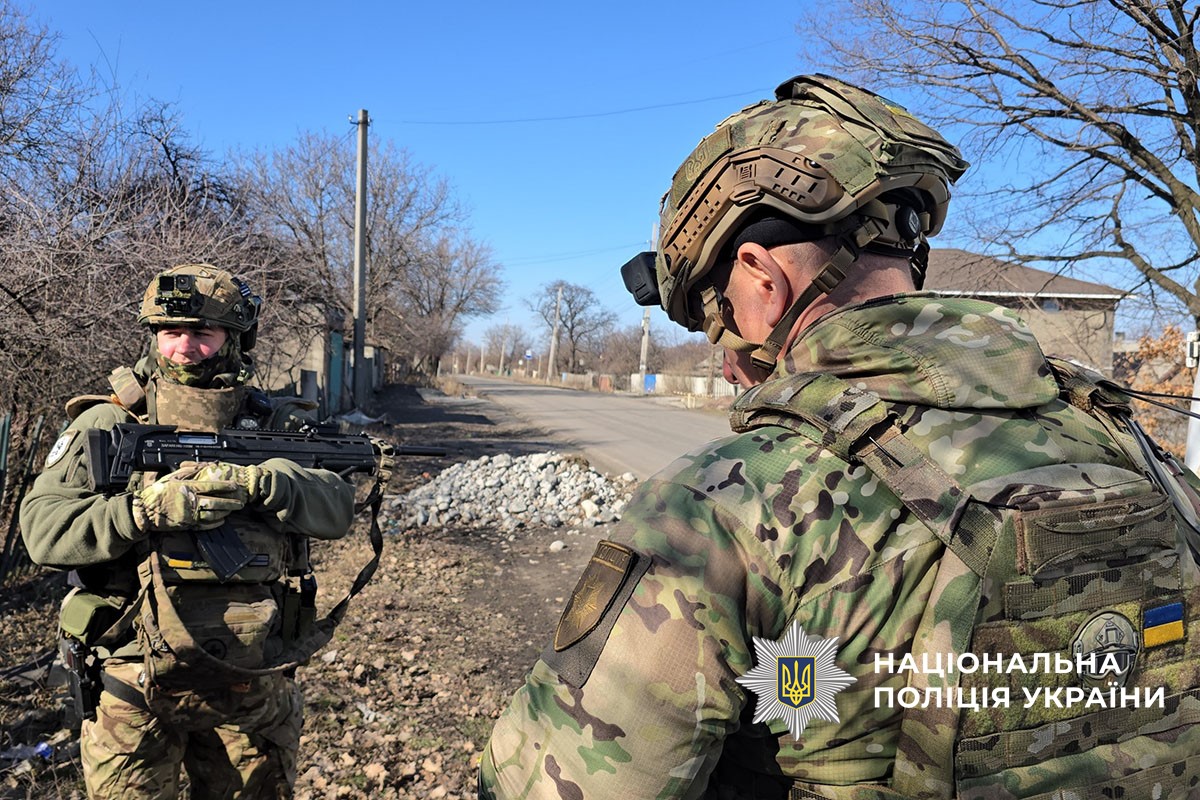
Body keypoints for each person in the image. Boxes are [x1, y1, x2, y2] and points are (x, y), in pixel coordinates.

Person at [480, 76, 1200, 798]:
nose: (726, 362)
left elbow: (562, 784)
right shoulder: (1121, 434)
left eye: (715, 314)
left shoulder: (729, 502)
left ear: (761, 280)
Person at [20, 264, 356, 799]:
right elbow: (43, 531)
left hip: (252, 678)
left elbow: (338, 507)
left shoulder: (275, 427)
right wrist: (141, 512)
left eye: (203, 334)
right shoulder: (107, 425)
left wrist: (266, 483)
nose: (184, 348)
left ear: (234, 341)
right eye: (171, 333)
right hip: (131, 678)